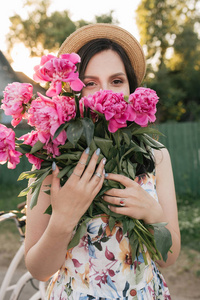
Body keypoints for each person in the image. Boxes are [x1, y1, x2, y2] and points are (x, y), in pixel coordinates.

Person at [24, 23, 180, 299]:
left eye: (117, 81)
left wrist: (153, 214)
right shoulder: (52, 160)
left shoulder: (157, 156)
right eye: (90, 83)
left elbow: (169, 258)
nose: (104, 93)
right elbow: (39, 270)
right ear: (72, 91)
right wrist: (63, 220)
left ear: (132, 89)